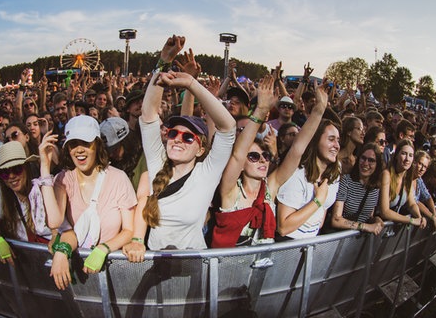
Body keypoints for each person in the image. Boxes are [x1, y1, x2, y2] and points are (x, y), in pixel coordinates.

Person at [122, 35, 236, 260]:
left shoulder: (207, 172)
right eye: (173, 133)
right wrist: (163, 61)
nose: (177, 139)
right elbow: (148, 115)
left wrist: (192, 84)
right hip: (155, 263)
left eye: (188, 138)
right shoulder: (157, 163)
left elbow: (228, 127)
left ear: (201, 149)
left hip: (192, 268)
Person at [211, 76, 328, 247]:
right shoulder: (231, 191)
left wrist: (318, 112)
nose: (262, 161)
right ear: (242, 165)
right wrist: (260, 111)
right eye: (253, 156)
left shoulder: (269, 189)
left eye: (265, 156)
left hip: (263, 269)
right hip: (230, 269)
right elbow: (237, 154)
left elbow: (297, 150)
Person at [39, 115, 136, 282]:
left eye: (85, 143)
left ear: (97, 145)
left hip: (113, 272)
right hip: (78, 275)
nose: (79, 150)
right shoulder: (63, 180)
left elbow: (128, 230)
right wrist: (45, 167)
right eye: (73, 144)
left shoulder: (119, 178)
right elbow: (55, 223)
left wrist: (103, 249)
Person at [276, 119, 341, 239]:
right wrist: (317, 201)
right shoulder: (298, 174)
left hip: (311, 244)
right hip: (287, 246)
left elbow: (320, 218)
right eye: (331, 139)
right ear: (315, 141)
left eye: (338, 140)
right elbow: (283, 227)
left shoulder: (334, 174)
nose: (336, 146)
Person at [331, 143, 385, 234]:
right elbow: (336, 219)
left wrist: (375, 220)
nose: (365, 163)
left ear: (377, 165)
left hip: (359, 242)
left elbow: (367, 216)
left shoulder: (376, 188)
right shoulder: (346, 181)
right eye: (363, 158)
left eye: (371, 160)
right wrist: (364, 226)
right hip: (341, 238)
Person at [378, 139, 427, 227]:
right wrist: (411, 220)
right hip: (377, 228)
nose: (407, 159)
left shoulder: (407, 178)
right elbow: (384, 212)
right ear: (396, 155)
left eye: (411, 155)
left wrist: (419, 217)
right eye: (404, 154)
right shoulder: (387, 175)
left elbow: (412, 204)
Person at [412, 150, 436, 232]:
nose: (422, 169)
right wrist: (432, 217)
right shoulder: (407, 178)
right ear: (414, 162)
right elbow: (416, 202)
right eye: (420, 164)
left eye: (425, 167)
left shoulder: (419, 179)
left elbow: (428, 197)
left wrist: (435, 216)